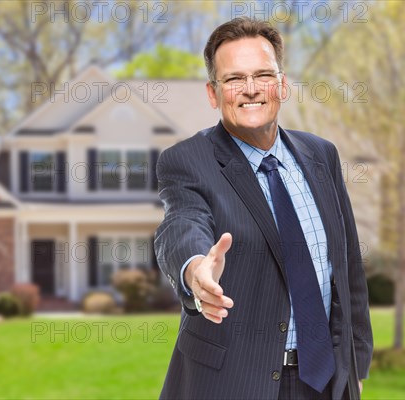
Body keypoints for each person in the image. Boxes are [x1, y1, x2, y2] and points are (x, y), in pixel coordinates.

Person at [154, 17, 373, 400]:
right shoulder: (188, 160)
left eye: (263, 75)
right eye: (235, 79)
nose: (251, 90)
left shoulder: (321, 155)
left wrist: (355, 366)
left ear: (282, 85)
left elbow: (348, 264)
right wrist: (195, 270)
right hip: (234, 383)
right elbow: (181, 224)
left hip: (324, 381)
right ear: (213, 92)